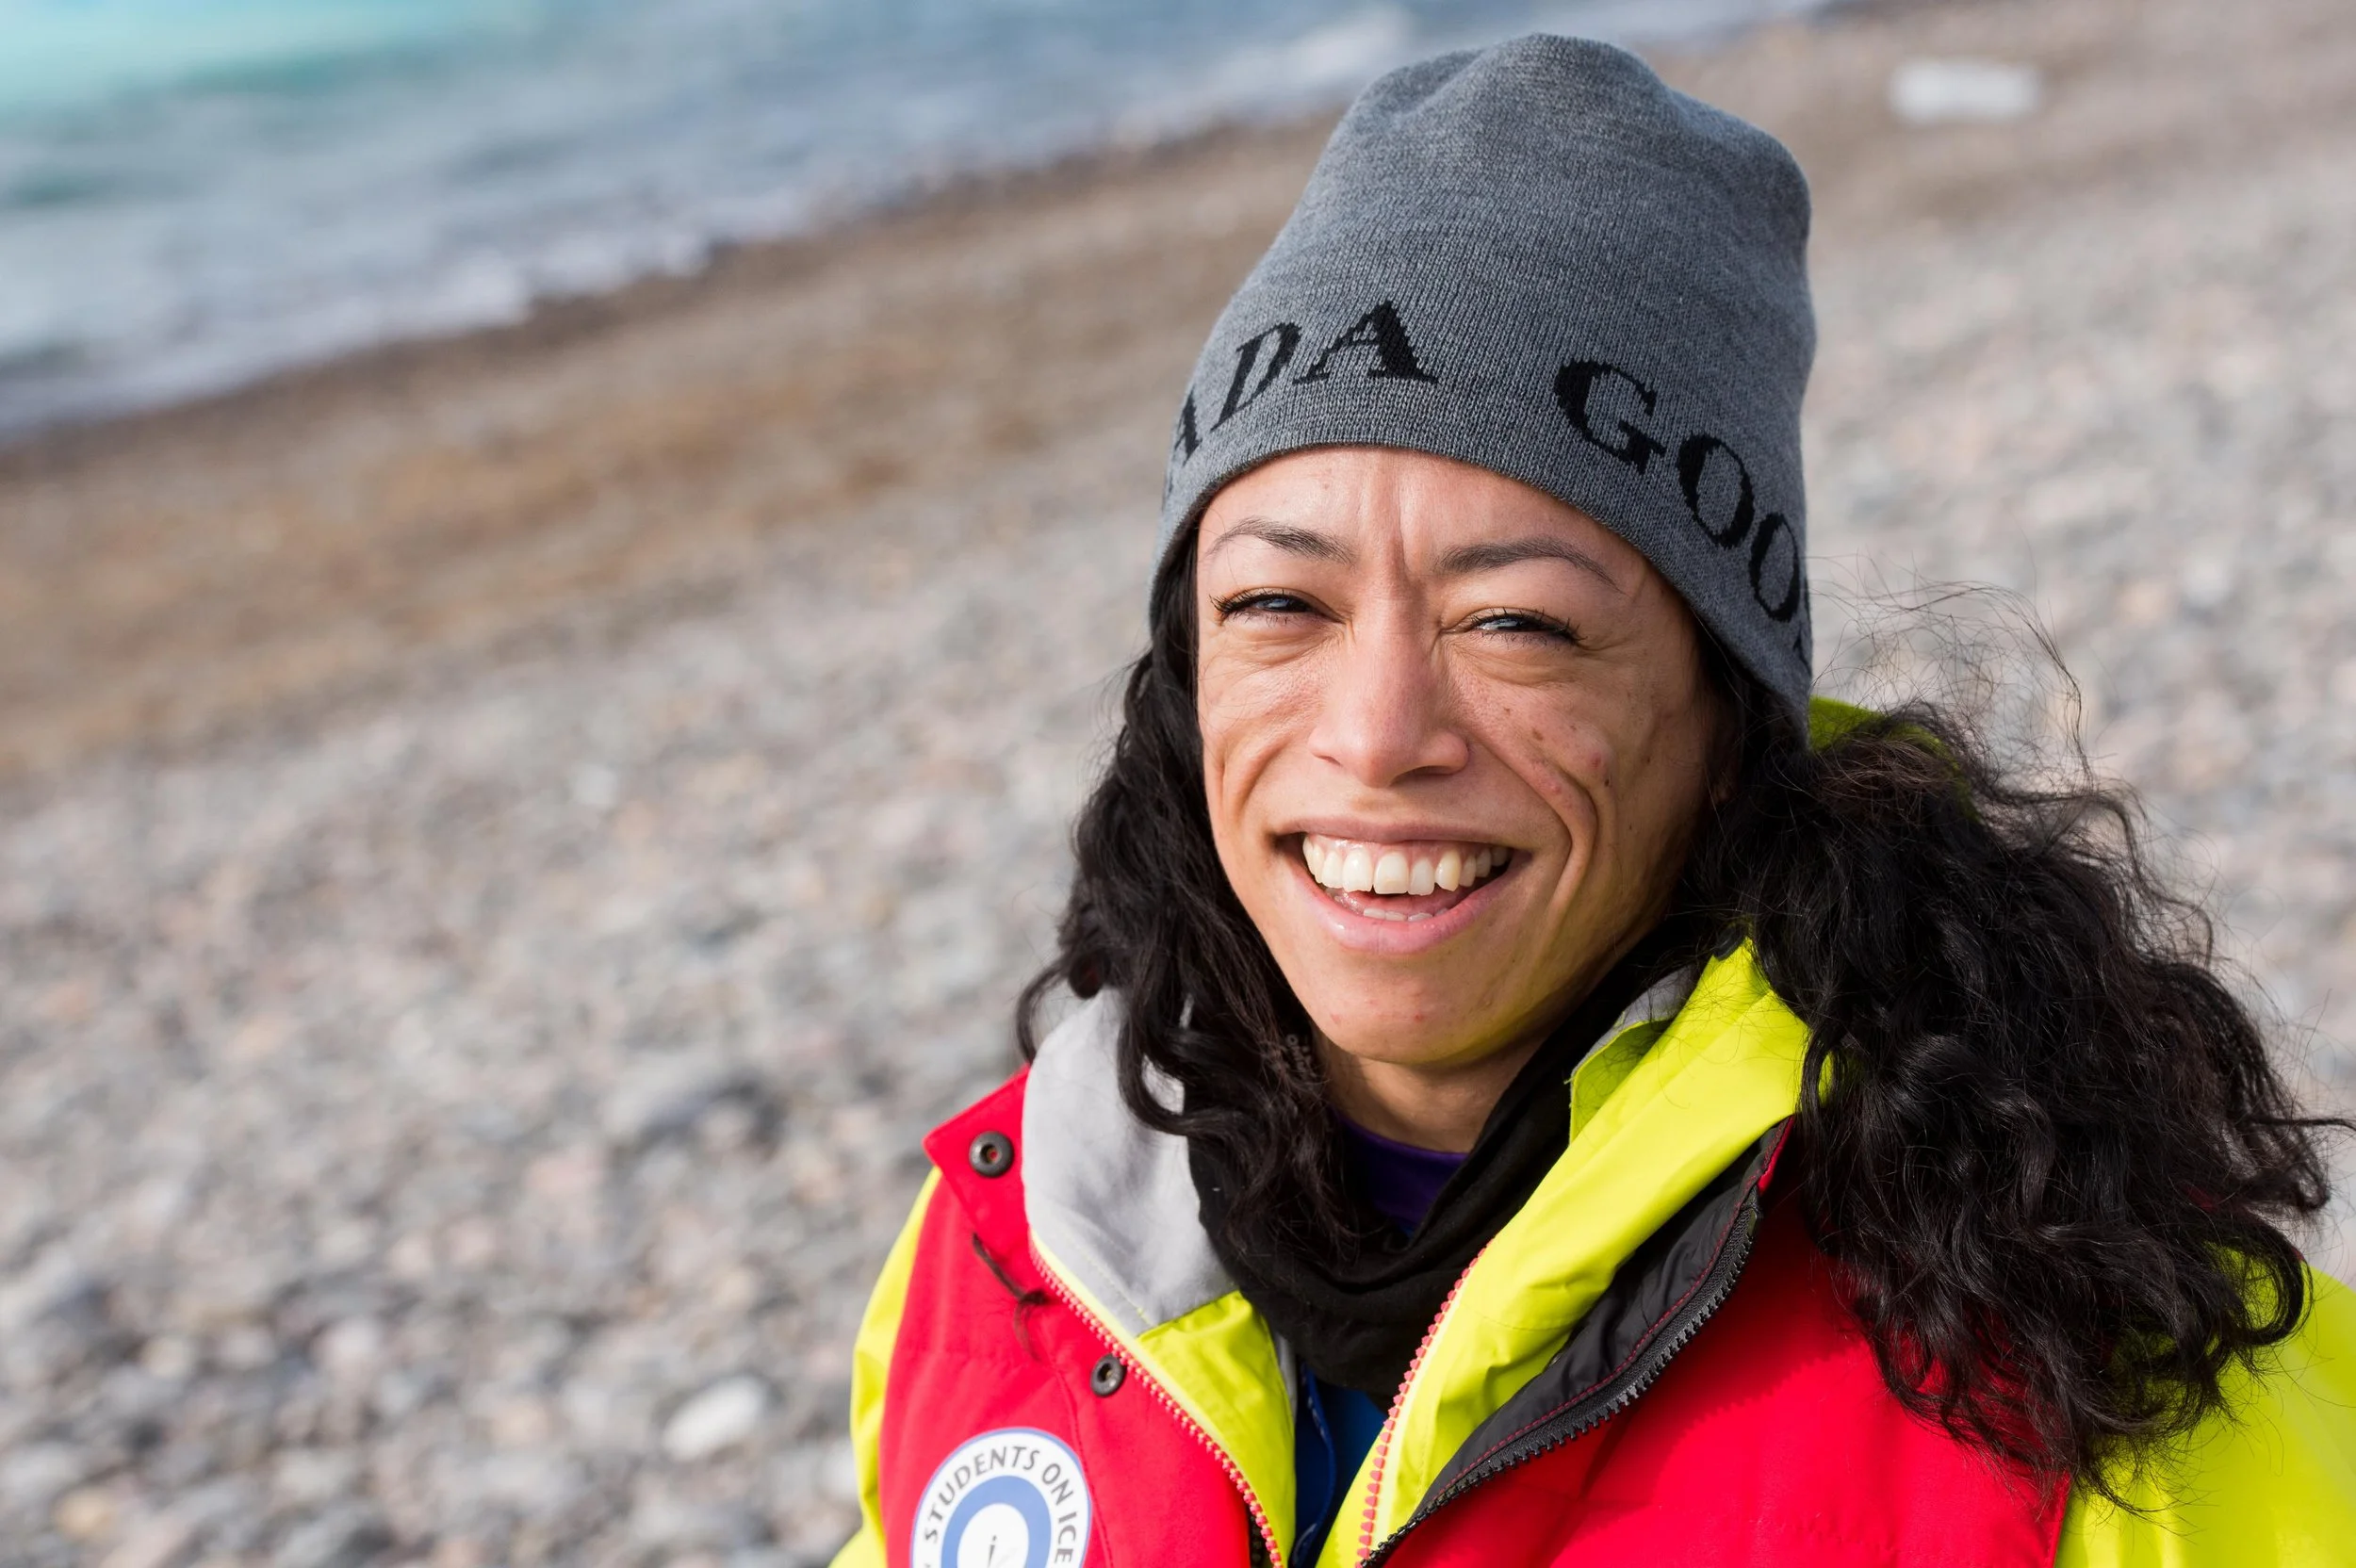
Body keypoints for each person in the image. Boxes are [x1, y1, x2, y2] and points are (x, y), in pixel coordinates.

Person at [826, 36, 2355, 1568]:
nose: (1375, 736)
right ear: (1184, 677)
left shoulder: (2078, 1366)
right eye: (1280, 604)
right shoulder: (1009, 1255)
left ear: (1728, 722)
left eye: (1517, 625)